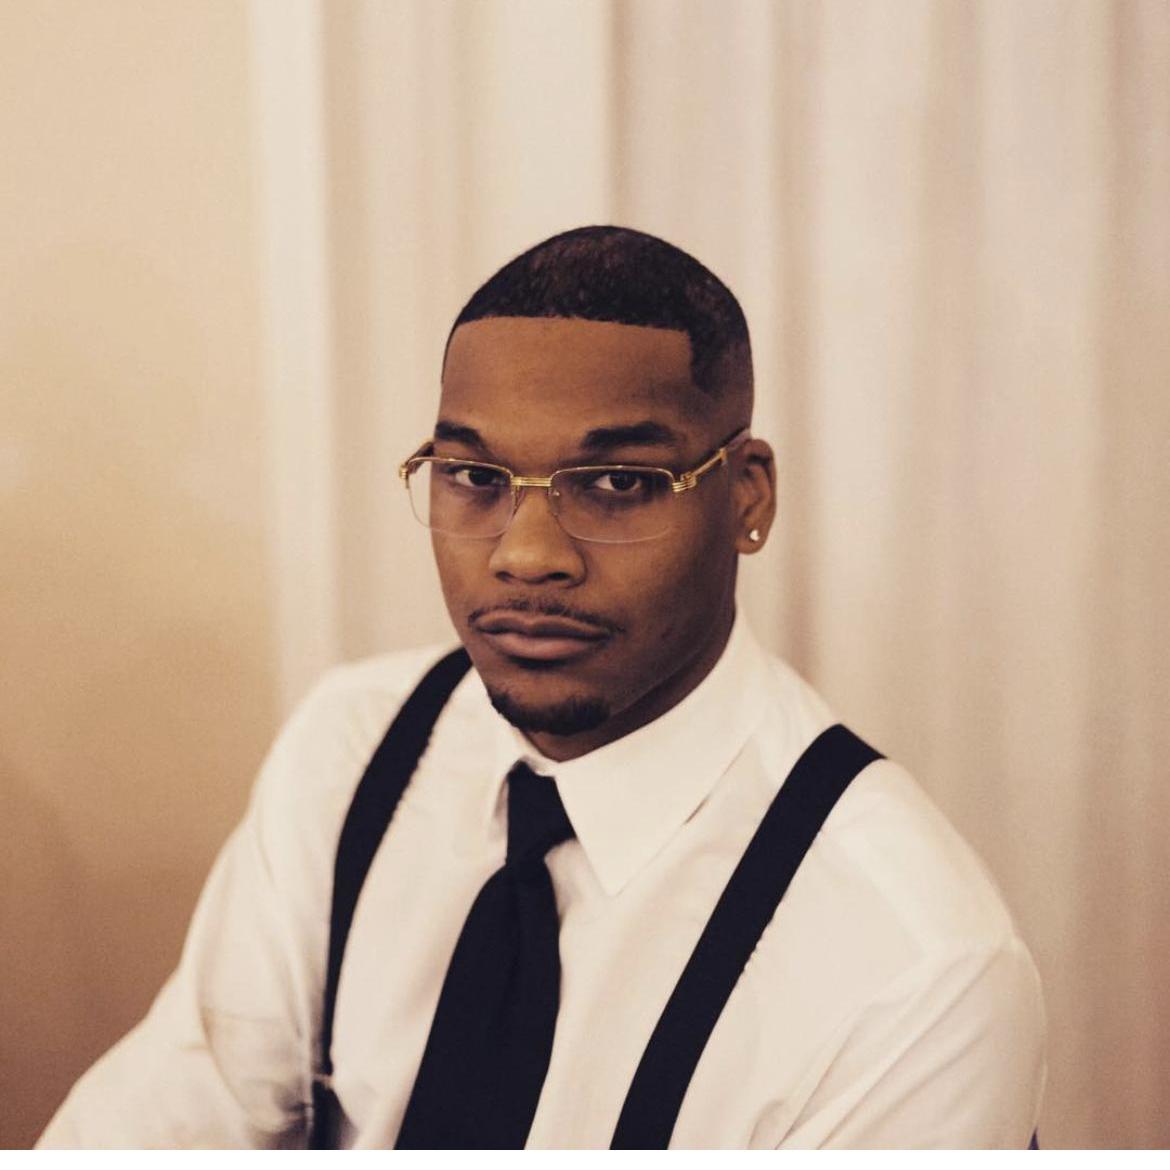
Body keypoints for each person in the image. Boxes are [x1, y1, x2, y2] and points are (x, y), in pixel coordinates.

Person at [39, 226, 1045, 1149]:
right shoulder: (355, 747)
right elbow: (166, 1120)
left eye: (617, 484)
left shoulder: (916, 967)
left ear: (747, 497)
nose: (524, 555)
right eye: (475, 477)